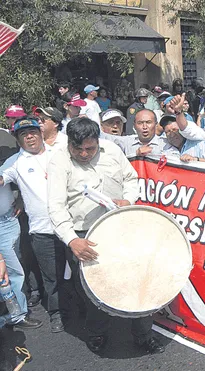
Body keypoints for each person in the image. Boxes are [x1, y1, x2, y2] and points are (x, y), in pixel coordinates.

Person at [47, 117, 164, 354]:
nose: (83, 154)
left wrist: (128, 199)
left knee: (136, 280)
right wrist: (72, 240)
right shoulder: (59, 160)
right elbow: (56, 206)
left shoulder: (112, 151)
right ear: (69, 143)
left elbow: (131, 180)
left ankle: (143, 335)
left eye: (89, 149)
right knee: (95, 291)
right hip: (83, 234)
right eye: (76, 149)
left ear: (98, 141)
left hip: (119, 228)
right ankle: (97, 333)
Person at [0, 117, 65, 332]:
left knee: (77, 273)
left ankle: (83, 309)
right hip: (41, 230)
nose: (29, 137)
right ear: (18, 140)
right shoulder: (15, 163)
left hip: (69, 225)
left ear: (40, 133)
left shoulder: (60, 152)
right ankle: (57, 314)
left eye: (33, 132)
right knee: (51, 277)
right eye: (23, 134)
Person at [0, 120, 43, 331]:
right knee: (11, 271)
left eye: (32, 132)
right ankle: (16, 314)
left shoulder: (7, 150)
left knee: (14, 269)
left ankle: (16, 312)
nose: (29, 137)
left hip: (8, 220)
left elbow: (9, 179)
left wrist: (19, 198)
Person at [105, 109, 173, 157]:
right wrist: (135, 156)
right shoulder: (127, 142)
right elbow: (102, 136)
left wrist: (154, 155)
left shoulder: (166, 143)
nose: (144, 127)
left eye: (148, 122)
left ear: (156, 124)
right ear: (134, 126)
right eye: (140, 123)